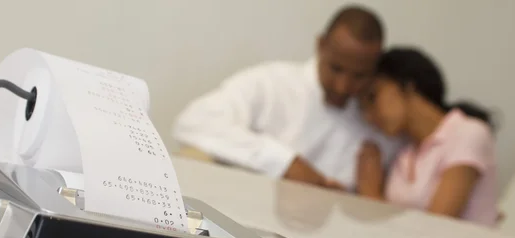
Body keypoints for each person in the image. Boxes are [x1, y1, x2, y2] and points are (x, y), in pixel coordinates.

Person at [172, 6, 402, 191]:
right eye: (336, 68)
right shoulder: (272, 84)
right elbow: (193, 121)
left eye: (359, 76)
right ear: (320, 45)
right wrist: (284, 163)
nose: (343, 86)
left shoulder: (377, 124)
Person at [357, 47, 498, 226]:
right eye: (362, 109)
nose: (369, 116)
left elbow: (435, 227)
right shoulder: (404, 152)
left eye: (372, 97)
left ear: (408, 86)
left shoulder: (469, 133)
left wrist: (370, 195)